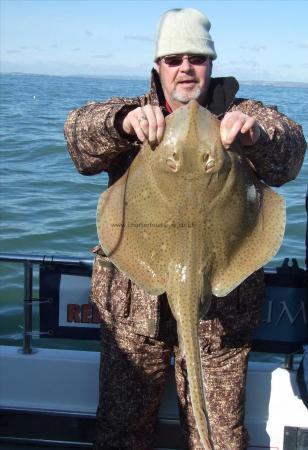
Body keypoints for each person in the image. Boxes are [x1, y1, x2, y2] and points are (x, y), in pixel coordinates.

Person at [64, 8, 306, 450]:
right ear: (158, 66)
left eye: (196, 57)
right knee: (122, 432)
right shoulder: (136, 117)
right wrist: (121, 124)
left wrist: (257, 137)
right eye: (173, 58)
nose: (185, 68)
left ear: (211, 63)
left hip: (221, 319)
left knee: (218, 438)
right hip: (133, 316)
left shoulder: (243, 115)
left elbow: (290, 149)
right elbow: (78, 135)